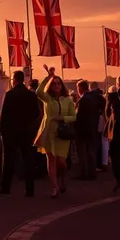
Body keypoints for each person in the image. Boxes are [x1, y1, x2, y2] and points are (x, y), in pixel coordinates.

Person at [33, 65, 76, 198]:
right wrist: (49, 76)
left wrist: (62, 118)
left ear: (61, 86)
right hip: (49, 133)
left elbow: (74, 116)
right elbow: (38, 91)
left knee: (61, 162)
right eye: (54, 83)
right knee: (51, 159)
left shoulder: (68, 100)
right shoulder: (47, 99)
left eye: (58, 83)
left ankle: (62, 178)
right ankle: (54, 187)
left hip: (62, 134)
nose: (56, 85)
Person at [0, 71, 40, 197]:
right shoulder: (31, 95)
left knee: (8, 160)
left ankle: (5, 188)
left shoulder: (9, 94)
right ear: (23, 80)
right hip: (27, 132)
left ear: (14, 80)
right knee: (28, 160)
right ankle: (30, 189)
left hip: (11, 132)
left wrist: (2, 131)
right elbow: (36, 114)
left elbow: (3, 116)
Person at [74, 80, 100, 180]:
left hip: (82, 129)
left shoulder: (83, 100)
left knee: (82, 152)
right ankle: (92, 172)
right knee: (91, 151)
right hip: (92, 127)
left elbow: (78, 116)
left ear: (80, 88)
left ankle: (83, 173)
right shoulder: (94, 98)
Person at [89, 82, 108, 171]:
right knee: (103, 142)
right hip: (103, 120)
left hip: (95, 120)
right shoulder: (102, 98)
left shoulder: (91, 97)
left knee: (96, 142)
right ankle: (104, 162)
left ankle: (97, 163)